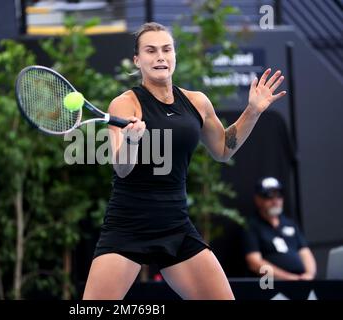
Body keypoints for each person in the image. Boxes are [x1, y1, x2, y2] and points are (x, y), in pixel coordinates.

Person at [83, 22, 287, 300]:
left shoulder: (197, 102)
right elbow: (121, 168)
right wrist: (131, 141)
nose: (160, 57)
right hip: (128, 226)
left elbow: (222, 150)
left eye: (167, 49)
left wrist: (252, 111)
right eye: (151, 50)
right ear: (137, 60)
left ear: (174, 55)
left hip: (176, 226)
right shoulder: (125, 104)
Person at [243, 176, 317, 280]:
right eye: (269, 196)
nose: (275, 200)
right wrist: (288, 278)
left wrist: (309, 275)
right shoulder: (252, 226)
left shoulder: (290, 224)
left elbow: (305, 252)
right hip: (271, 284)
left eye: (279, 195)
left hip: (302, 281)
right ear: (258, 199)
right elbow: (254, 262)